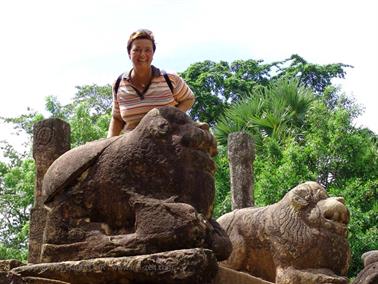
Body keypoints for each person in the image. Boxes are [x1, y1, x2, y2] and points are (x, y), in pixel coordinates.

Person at [107, 29, 195, 137]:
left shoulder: (170, 79)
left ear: (153, 54)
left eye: (147, 50)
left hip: (169, 143)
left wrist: (172, 117)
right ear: (129, 54)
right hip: (131, 148)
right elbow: (117, 118)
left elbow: (189, 99)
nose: (142, 54)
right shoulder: (118, 84)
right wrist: (108, 144)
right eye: (137, 50)